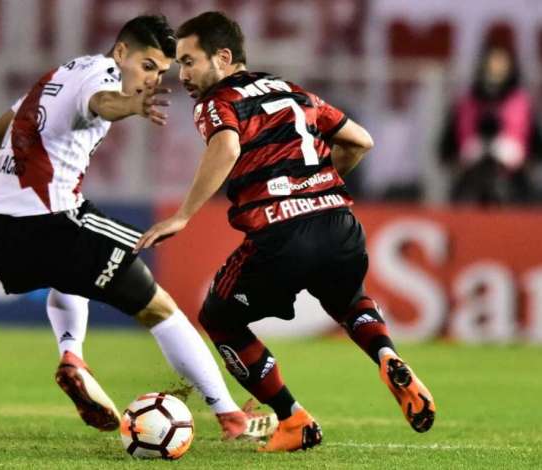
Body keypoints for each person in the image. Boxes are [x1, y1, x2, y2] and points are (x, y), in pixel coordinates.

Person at [0, 15, 272, 440]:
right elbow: (104, 101)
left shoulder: (59, 74)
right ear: (121, 52)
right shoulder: (101, 75)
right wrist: (131, 106)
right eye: (147, 67)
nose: (151, 81)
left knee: (70, 273)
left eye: (161, 73)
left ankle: (72, 356)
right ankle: (231, 417)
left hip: (1, 236)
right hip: (51, 224)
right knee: (161, 310)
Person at [136, 11, 436, 452]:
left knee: (219, 320)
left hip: (280, 234)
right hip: (340, 225)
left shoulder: (218, 101)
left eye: (189, 61)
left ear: (223, 57)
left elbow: (227, 144)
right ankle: (387, 356)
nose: (182, 74)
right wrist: (316, 184)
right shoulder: (292, 90)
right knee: (348, 300)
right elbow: (360, 141)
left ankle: (293, 419)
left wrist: (182, 215)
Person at [440, 41, 541, 204]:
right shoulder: (467, 102)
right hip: (471, 180)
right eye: (493, 62)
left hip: (514, 182)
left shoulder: (522, 103)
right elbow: (446, 149)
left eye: (502, 63)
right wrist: (468, 155)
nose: (497, 68)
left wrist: (516, 157)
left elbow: (536, 148)